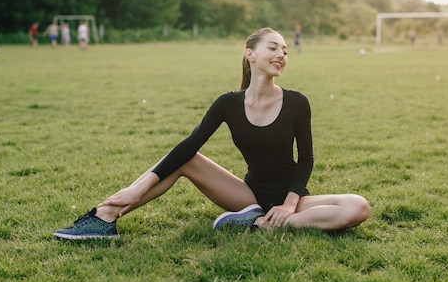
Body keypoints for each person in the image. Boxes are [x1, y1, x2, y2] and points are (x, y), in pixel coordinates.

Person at [54, 27, 370, 240]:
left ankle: (258, 226)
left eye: (285, 51)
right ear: (250, 54)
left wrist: (288, 206)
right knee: (188, 159)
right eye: (273, 47)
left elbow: (306, 160)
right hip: (247, 196)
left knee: (358, 207)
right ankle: (105, 216)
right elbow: (187, 147)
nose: (281, 55)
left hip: (292, 200)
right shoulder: (228, 103)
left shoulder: (297, 102)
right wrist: (137, 190)